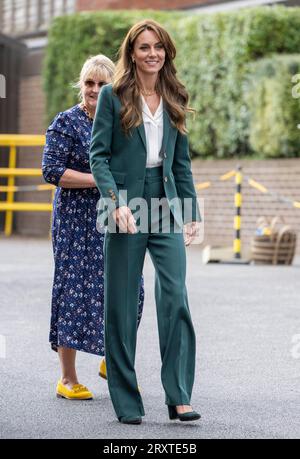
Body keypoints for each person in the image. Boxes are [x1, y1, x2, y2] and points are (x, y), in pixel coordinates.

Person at [90, 20, 201, 423]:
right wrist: (114, 201)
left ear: (166, 52)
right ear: (132, 53)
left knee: (175, 297)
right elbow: (98, 155)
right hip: (124, 203)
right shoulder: (112, 95)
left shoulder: (175, 94)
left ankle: (179, 394)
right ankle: (126, 400)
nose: (151, 53)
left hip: (166, 201)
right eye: (143, 47)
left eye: (158, 47)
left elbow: (182, 162)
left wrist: (190, 213)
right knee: (120, 304)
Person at [42, 55, 144, 400]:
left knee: (132, 289)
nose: (95, 90)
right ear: (81, 85)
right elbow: (52, 171)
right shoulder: (66, 122)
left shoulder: (123, 121)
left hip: (114, 216)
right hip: (75, 222)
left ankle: (111, 358)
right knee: (73, 293)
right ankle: (67, 379)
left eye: (103, 84)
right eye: (89, 83)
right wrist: (98, 180)